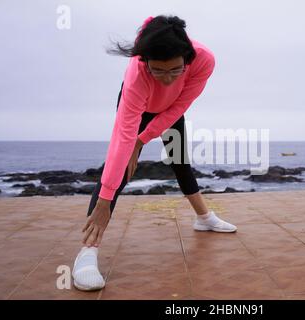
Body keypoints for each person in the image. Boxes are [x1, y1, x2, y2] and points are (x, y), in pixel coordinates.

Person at [72, 15, 237, 291]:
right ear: (145, 61)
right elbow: (123, 137)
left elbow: (179, 106)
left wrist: (143, 140)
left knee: (180, 162)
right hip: (140, 107)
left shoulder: (203, 60)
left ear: (187, 59)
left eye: (175, 70)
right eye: (158, 71)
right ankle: (87, 251)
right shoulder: (136, 74)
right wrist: (103, 202)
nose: (167, 78)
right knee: (120, 165)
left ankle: (204, 218)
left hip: (172, 109)